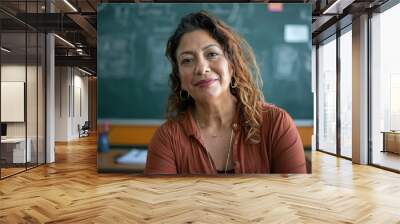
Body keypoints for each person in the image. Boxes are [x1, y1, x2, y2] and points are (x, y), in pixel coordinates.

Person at [144, 11, 306, 174]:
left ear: (231, 65)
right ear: (180, 79)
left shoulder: (276, 124)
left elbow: (294, 197)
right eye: (187, 60)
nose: (201, 68)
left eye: (212, 54)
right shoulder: (167, 138)